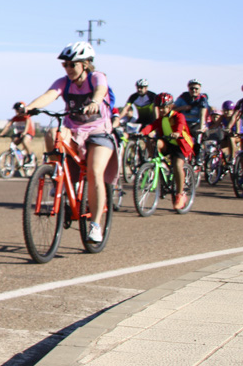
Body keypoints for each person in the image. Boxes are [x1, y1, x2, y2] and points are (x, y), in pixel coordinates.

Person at [22, 42, 117, 243]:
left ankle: (96, 225)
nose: (67, 68)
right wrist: (29, 107)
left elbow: (101, 90)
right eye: (65, 65)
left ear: (85, 64)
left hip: (99, 132)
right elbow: (50, 95)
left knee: (94, 171)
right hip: (74, 130)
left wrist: (95, 102)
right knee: (52, 133)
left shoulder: (96, 77)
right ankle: (57, 178)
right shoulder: (64, 82)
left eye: (71, 64)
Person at [139, 93, 193, 210]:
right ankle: (156, 163)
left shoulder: (178, 116)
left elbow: (180, 125)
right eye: (160, 107)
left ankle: (180, 194)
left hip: (180, 145)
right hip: (168, 143)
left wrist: (177, 133)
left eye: (164, 107)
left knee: (177, 165)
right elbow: (151, 126)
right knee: (153, 141)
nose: (162, 110)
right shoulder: (161, 119)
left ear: (170, 106)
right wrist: (142, 132)